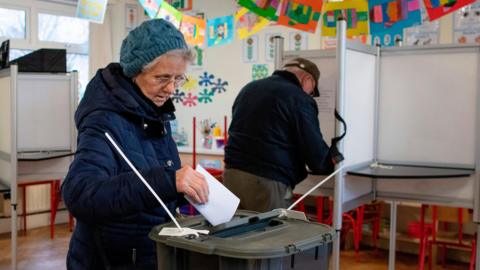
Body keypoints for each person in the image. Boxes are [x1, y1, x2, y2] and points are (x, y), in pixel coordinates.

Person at [61, 19, 209, 270]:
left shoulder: (154, 113)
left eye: (178, 78)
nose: (171, 88)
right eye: (162, 77)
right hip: (109, 260)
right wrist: (168, 181)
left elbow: (148, 183)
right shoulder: (104, 120)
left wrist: (186, 191)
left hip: (145, 253)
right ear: (134, 72)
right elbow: (80, 193)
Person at [223, 57, 334, 213]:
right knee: (272, 234)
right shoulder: (299, 98)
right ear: (307, 79)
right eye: (313, 90)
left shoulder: (249, 88)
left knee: (238, 234)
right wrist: (329, 162)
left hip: (232, 175)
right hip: (267, 181)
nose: (311, 94)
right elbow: (313, 147)